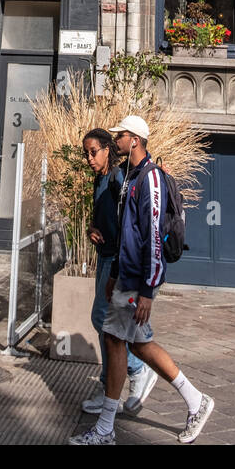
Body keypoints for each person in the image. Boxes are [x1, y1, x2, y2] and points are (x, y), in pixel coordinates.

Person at [70, 114, 215, 446]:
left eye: (119, 135)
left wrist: (146, 290)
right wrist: (116, 274)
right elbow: (126, 234)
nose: (115, 139)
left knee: (115, 339)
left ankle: (107, 428)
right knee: (133, 343)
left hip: (138, 280)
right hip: (127, 274)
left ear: (133, 139)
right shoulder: (134, 176)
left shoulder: (147, 178)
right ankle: (195, 401)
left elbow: (150, 236)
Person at [80, 128, 157, 416]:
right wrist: (92, 229)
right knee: (110, 322)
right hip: (104, 255)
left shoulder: (118, 176)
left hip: (117, 260)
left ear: (108, 150)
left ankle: (138, 370)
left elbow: (129, 215)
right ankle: (108, 385)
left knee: (103, 319)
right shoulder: (99, 178)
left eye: (93, 152)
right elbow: (104, 216)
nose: (89, 158)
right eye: (86, 152)